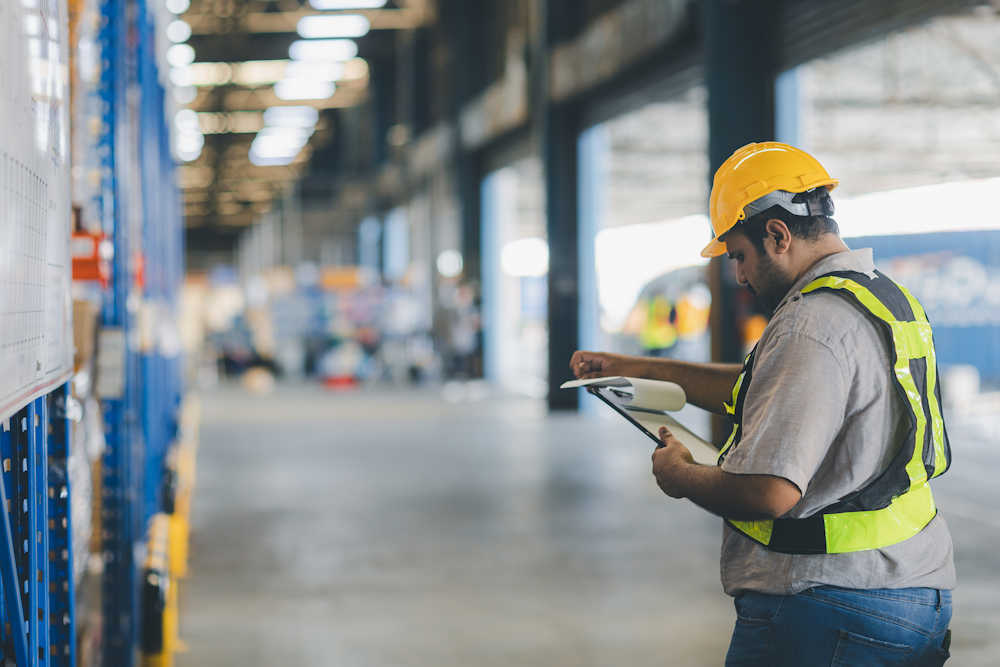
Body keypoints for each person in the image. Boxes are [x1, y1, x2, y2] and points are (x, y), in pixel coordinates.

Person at [570, 142, 954, 666]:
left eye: (739, 257)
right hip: (910, 589)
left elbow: (770, 492)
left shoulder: (811, 322)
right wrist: (640, 368)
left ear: (777, 235)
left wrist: (680, 475)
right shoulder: (884, 299)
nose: (739, 277)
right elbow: (773, 387)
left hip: (830, 604)